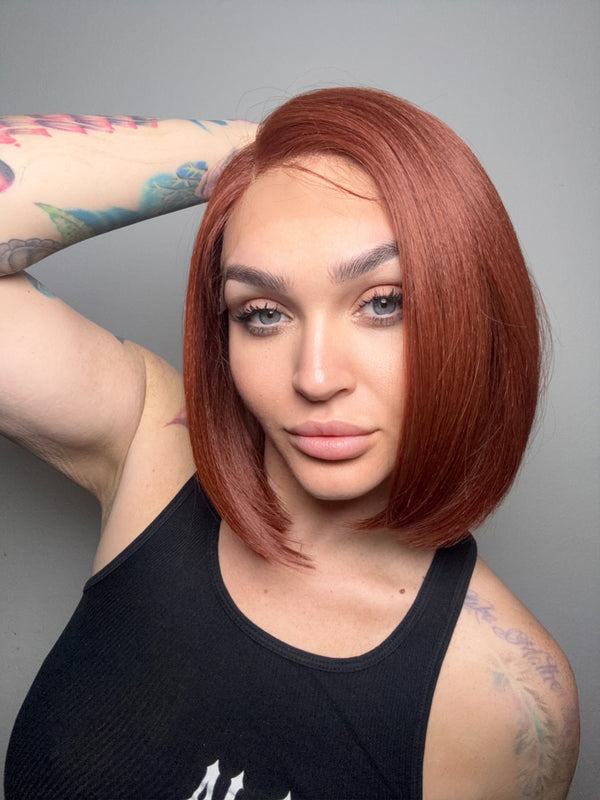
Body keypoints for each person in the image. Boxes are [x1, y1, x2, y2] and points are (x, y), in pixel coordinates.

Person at [0, 89, 579, 799]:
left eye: (384, 302)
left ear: (472, 313)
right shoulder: (154, 442)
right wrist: (264, 155)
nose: (315, 377)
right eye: (264, 313)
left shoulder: (506, 698)